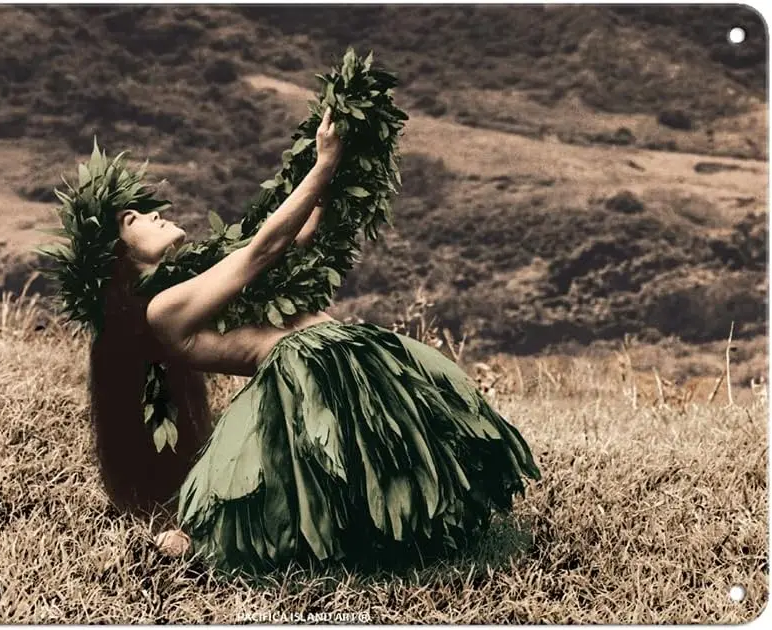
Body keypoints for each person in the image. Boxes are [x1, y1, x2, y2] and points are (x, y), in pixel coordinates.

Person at [65, 107, 540, 571]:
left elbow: (297, 236)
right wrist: (323, 163)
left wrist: (340, 162)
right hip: (307, 378)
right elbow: (262, 252)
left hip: (339, 352)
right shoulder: (162, 310)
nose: (152, 214)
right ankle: (190, 541)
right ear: (118, 258)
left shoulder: (196, 274)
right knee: (308, 509)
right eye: (132, 219)